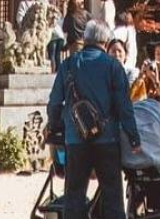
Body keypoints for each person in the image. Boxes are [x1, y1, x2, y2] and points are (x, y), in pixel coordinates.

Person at [48, 20, 141, 219]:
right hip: (107, 139)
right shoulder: (113, 66)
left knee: (74, 195)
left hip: (75, 139)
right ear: (106, 41)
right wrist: (133, 138)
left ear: (85, 38)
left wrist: (55, 126)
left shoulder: (68, 64)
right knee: (112, 197)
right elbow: (124, 107)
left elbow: (55, 102)